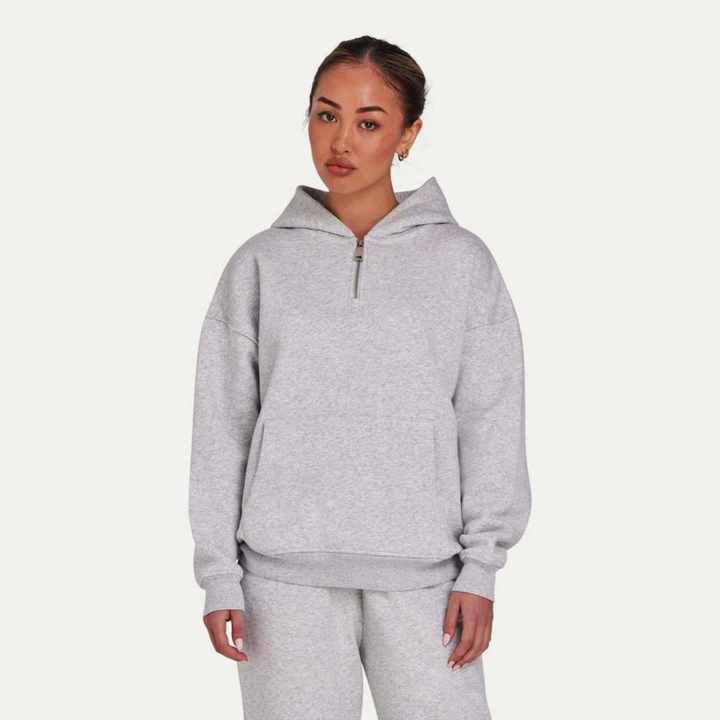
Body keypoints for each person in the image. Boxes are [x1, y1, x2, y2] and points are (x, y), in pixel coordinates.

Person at [188, 35, 532, 720]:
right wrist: (219, 574)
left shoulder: (463, 263)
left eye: (369, 123)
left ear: (408, 136)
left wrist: (481, 568)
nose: (340, 141)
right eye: (326, 115)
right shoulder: (260, 265)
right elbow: (222, 428)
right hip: (280, 582)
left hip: (428, 581)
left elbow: (491, 418)